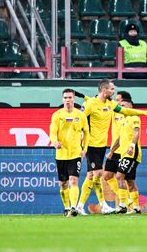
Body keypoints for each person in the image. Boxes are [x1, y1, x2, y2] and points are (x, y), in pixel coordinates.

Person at [75, 79, 147, 215]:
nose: (114, 92)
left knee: (93, 175)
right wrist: (80, 140)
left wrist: (146, 113)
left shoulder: (110, 105)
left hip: (102, 145)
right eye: (112, 89)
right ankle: (104, 204)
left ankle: (82, 205)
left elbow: (125, 110)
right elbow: (80, 120)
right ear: (104, 90)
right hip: (91, 144)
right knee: (97, 174)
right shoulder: (90, 104)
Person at [50, 88, 89, 217]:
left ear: (74, 99)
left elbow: (87, 133)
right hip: (61, 154)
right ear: (62, 99)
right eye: (65, 98)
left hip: (75, 153)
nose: (68, 100)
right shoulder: (57, 115)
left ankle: (73, 208)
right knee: (63, 184)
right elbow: (52, 132)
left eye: (70, 98)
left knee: (73, 180)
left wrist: (85, 148)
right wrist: (55, 142)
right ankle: (66, 207)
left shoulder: (81, 115)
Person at [111, 93, 144, 214]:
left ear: (130, 106)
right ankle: (136, 207)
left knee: (119, 176)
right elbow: (120, 138)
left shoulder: (134, 117)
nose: (122, 108)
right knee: (130, 181)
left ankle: (123, 205)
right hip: (124, 153)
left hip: (132, 153)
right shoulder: (123, 120)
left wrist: (132, 145)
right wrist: (112, 151)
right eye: (120, 106)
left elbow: (136, 132)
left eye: (124, 106)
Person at [101, 91, 129, 213]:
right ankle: (126, 200)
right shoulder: (113, 112)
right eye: (116, 100)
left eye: (118, 100)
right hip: (114, 149)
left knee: (125, 179)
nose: (116, 102)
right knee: (107, 176)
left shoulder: (128, 116)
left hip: (123, 150)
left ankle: (127, 203)